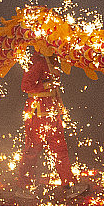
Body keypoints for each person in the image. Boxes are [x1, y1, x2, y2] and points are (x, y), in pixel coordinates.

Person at [18, 51, 78, 195]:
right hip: (37, 114)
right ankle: (24, 186)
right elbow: (25, 85)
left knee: (60, 149)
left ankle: (69, 184)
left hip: (52, 112)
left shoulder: (53, 61)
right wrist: (46, 85)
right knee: (32, 150)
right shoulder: (37, 61)